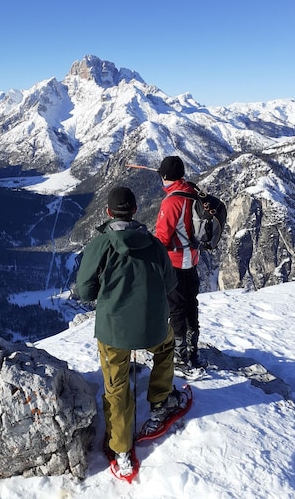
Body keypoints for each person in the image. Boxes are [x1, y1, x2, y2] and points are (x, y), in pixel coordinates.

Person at [76, 186, 181, 478]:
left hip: (113, 330)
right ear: (135, 211)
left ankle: (120, 447)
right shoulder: (153, 243)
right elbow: (170, 282)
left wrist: (107, 291)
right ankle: (160, 399)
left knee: (116, 385)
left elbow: (85, 291)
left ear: (108, 213)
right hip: (153, 325)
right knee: (165, 347)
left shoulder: (100, 245)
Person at [155, 155, 206, 379]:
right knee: (190, 304)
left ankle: (178, 355)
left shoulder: (171, 202)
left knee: (176, 307)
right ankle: (193, 349)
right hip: (193, 260)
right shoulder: (193, 192)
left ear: (165, 177)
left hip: (175, 262)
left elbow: (163, 237)